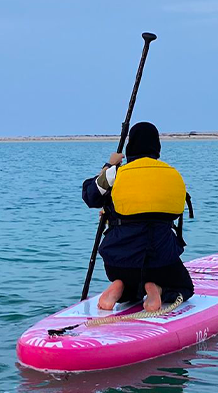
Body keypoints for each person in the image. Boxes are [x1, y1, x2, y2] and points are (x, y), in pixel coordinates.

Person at [82, 122, 194, 311]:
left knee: (129, 280)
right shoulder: (172, 175)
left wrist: (109, 166)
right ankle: (157, 288)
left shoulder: (116, 174)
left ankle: (120, 287)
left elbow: (90, 196)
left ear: (130, 146)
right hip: (162, 261)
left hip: (119, 262)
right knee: (184, 288)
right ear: (157, 147)